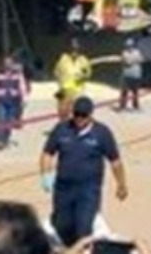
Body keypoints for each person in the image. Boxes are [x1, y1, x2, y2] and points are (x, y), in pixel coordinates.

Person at [40, 97, 128, 247]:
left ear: (91, 115)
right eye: (76, 114)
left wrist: (121, 184)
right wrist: (46, 175)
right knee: (62, 226)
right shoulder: (62, 129)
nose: (79, 119)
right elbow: (47, 153)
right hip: (63, 188)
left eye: (83, 115)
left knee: (84, 227)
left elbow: (115, 161)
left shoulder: (102, 133)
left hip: (88, 189)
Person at [0, 55, 29, 149]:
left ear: (12, 63)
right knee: (1, 119)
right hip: (0, 100)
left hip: (13, 101)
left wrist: (24, 99)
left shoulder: (18, 73)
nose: (7, 65)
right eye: (5, 63)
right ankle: (0, 140)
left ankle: (6, 139)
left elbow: (22, 86)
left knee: (9, 121)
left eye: (9, 63)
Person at [54, 39, 91, 121]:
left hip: (77, 91)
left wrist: (80, 78)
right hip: (63, 90)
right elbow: (56, 73)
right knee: (62, 113)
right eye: (72, 49)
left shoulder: (83, 60)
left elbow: (87, 75)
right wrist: (61, 85)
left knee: (77, 114)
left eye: (76, 49)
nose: (74, 51)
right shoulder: (63, 59)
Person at [120, 38, 144, 112]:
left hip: (136, 75)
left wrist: (133, 60)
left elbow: (141, 59)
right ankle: (123, 106)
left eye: (130, 45)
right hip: (127, 75)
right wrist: (135, 60)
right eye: (128, 46)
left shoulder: (137, 52)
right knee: (125, 91)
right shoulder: (124, 53)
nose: (129, 47)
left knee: (135, 91)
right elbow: (128, 62)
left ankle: (135, 106)